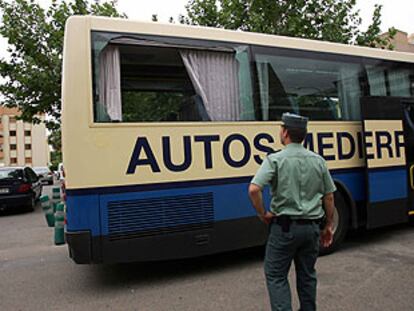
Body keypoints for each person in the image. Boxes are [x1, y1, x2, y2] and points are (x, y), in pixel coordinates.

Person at [248, 112, 336, 311]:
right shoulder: (318, 160)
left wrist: (263, 214)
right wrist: (328, 225)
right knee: (307, 275)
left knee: (276, 275)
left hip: (284, 229)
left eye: (281, 128)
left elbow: (254, 189)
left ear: (285, 132)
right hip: (311, 229)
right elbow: (329, 197)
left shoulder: (275, 159)